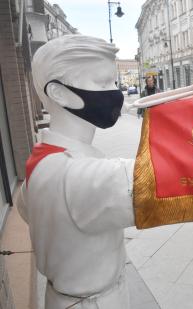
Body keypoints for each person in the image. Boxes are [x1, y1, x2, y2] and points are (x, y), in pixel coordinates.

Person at [18, 35, 136, 309]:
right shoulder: (80, 173)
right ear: (59, 93)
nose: (115, 92)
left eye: (114, 82)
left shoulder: (42, 159)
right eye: (102, 83)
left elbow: (28, 211)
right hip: (95, 302)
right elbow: (183, 180)